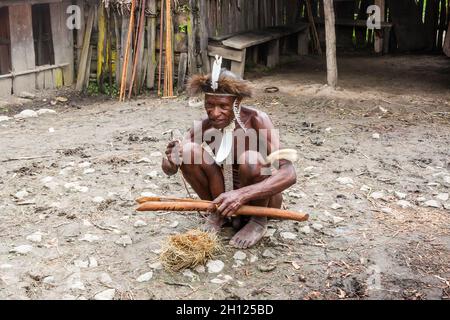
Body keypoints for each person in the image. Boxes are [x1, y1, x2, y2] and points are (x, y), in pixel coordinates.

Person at [161, 62, 297, 249]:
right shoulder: (203, 125)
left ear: (237, 103)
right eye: (210, 105)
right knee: (188, 151)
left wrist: (241, 195)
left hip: (261, 202)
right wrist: (170, 159)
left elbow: (289, 173)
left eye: (223, 106)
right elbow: (169, 170)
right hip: (223, 201)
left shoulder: (258, 120)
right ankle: (218, 214)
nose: (215, 113)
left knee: (251, 158)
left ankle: (257, 222)